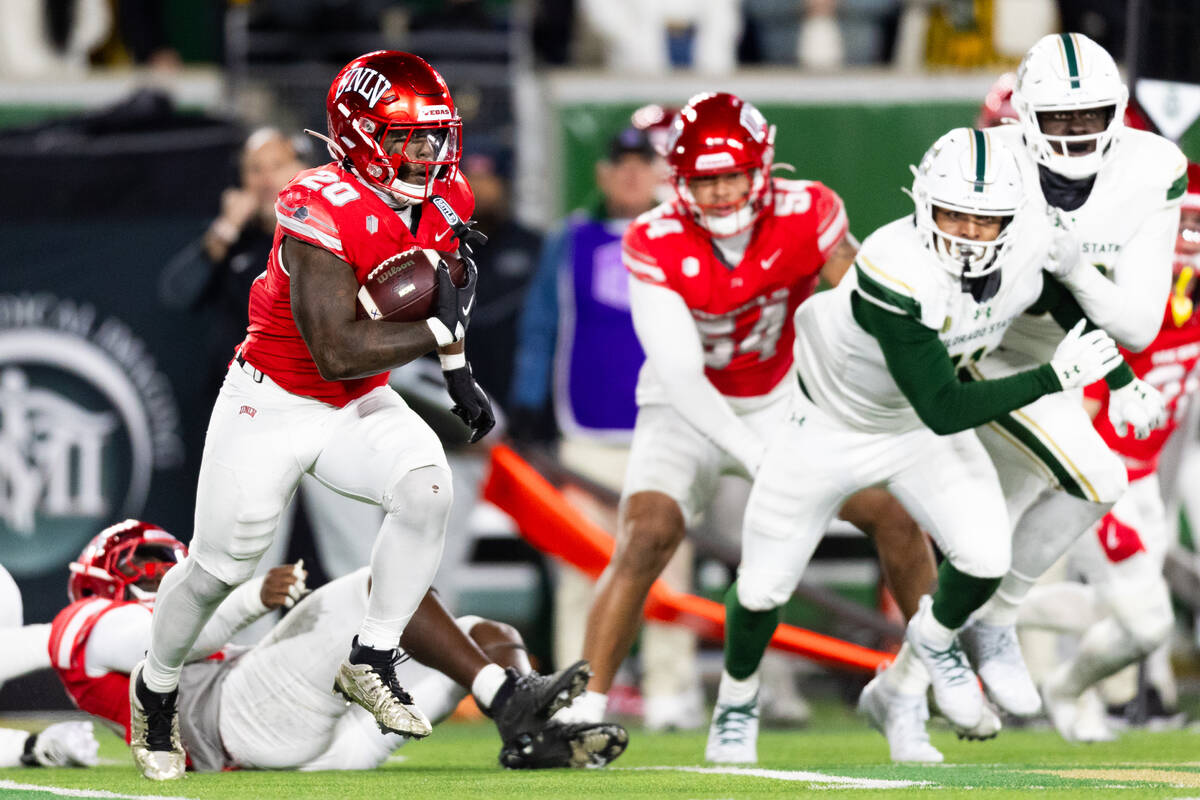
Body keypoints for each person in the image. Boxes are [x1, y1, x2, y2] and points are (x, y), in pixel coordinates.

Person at [131, 50, 548, 781]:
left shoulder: (447, 195)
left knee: (427, 488)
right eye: (406, 137)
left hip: (356, 402)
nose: (427, 153)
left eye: (433, 135)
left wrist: (460, 380)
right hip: (275, 398)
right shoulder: (316, 204)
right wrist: (445, 335)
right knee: (218, 566)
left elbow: (446, 295)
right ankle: (156, 686)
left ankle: (372, 655)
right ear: (358, 137)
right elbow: (335, 350)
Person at [711, 126, 1148, 764]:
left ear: (1013, 218)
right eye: (955, 215)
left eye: (986, 220)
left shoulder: (1027, 243)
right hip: (828, 425)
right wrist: (1057, 377)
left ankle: (928, 655)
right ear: (922, 204)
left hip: (907, 428)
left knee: (984, 555)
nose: (970, 234)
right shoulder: (895, 266)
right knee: (762, 588)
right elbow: (945, 408)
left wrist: (1121, 379)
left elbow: (1065, 311)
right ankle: (735, 699)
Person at [556, 91, 934, 732]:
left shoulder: (808, 209)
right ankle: (582, 708)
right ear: (679, 180)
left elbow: (868, 307)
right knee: (646, 536)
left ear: (761, 170)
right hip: (685, 409)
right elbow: (680, 374)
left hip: (781, 398)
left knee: (893, 513)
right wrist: (762, 456)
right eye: (706, 180)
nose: (723, 193)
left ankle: (931, 670)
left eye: (733, 175)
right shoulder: (653, 237)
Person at [958, 32, 1188, 719]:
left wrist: (1078, 270)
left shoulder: (1151, 179)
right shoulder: (979, 175)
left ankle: (1040, 672)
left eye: (1087, 115)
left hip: (1117, 408)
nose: (1074, 131)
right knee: (979, 533)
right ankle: (980, 650)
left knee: (1137, 604)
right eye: (1057, 117)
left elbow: (1138, 324)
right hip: (993, 362)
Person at [52, 520, 624, 772]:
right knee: (384, 581)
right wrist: (251, 598)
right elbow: (174, 641)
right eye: (150, 576)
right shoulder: (94, 623)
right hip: (238, 721)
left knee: (485, 635)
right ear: (102, 584)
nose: (163, 584)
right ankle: (512, 701)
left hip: (313, 740)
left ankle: (530, 732)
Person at [510, 124, 707, 730]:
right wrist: (525, 402)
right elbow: (543, 325)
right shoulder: (570, 241)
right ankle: (577, 688)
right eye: (619, 162)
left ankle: (669, 690)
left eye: (641, 162)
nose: (629, 173)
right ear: (602, 173)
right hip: (585, 435)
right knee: (580, 569)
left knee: (672, 569)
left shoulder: (683, 239)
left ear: (660, 175)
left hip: (668, 433)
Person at [1019, 163, 1200, 742]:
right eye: (1187, 222)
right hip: (1105, 478)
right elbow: (1087, 409)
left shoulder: (1186, 302)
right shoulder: (1129, 309)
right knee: (1142, 617)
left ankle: (986, 615)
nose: (1192, 238)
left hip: (1142, 478)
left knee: (1130, 612)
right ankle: (1058, 681)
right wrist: (1076, 486)